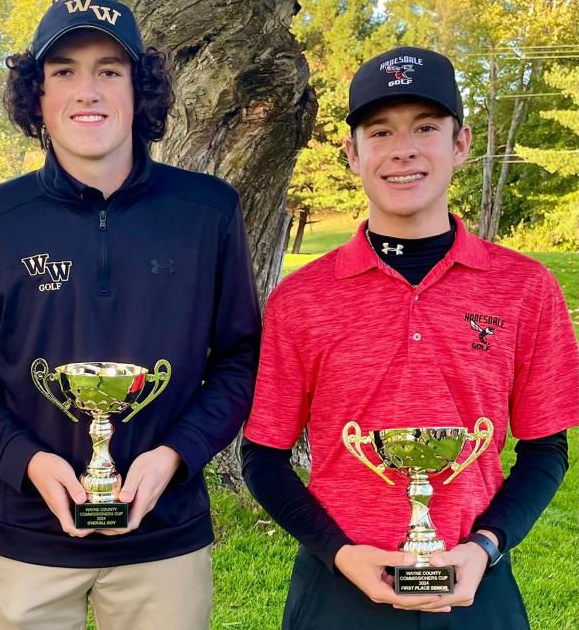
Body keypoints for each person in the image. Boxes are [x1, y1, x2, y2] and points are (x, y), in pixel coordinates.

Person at [0, 0, 261, 629]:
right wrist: (26, 461)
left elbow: (240, 358)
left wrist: (176, 454)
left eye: (110, 70)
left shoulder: (209, 211)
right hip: (28, 536)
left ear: (140, 92)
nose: (88, 90)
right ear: (37, 96)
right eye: (64, 71)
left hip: (166, 537)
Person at [241, 46, 579, 629]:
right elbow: (263, 457)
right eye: (381, 131)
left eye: (425, 127)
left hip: (477, 584)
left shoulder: (526, 288)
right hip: (337, 584)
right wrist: (341, 552)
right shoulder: (301, 299)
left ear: (461, 143)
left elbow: (546, 450)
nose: (403, 150)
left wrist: (484, 548)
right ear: (353, 152)